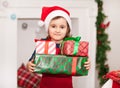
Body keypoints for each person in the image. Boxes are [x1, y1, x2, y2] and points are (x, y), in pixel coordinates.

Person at [26, 6, 90, 88]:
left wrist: (87, 63)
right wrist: (29, 65)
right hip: (46, 85)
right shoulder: (43, 45)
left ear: (67, 29)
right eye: (53, 26)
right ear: (48, 28)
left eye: (62, 27)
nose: (57, 30)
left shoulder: (72, 45)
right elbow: (31, 61)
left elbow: (82, 61)